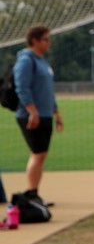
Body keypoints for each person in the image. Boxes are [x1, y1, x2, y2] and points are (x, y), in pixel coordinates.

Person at [14, 25, 63, 202]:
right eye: (45, 39)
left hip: (45, 114)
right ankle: (32, 194)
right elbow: (22, 87)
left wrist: (56, 113)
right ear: (34, 40)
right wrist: (32, 111)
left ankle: (35, 192)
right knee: (37, 153)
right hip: (30, 116)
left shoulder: (42, 61)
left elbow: (48, 90)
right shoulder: (26, 60)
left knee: (41, 153)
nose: (48, 43)